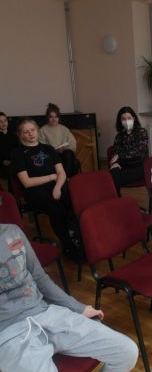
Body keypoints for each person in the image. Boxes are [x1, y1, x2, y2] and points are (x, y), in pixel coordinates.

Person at [0, 223, 137, 372]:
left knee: (127, 352)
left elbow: (40, 278)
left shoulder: (12, 232)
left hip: (46, 314)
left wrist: (79, 308)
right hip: (9, 336)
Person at [11, 118, 81, 261]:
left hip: (55, 187)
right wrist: (51, 177)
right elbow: (27, 182)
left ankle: (80, 237)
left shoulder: (48, 149)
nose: (31, 133)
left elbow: (61, 173)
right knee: (57, 206)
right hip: (35, 191)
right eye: (26, 132)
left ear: (37, 131)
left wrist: (57, 187)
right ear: (20, 135)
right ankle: (68, 245)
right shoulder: (18, 153)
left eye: (33, 130)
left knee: (75, 200)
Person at [109, 106, 149, 195]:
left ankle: (116, 197)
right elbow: (115, 153)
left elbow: (138, 153)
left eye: (129, 118)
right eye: (123, 119)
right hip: (124, 166)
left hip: (139, 166)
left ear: (134, 118)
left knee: (113, 177)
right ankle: (117, 197)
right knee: (114, 171)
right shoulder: (119, 136)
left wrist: (119, 156)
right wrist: (115, 163)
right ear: (120, 121)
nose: (126, 121)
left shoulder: (142, 132)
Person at [39, 103, 79, 177]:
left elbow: (72, 142)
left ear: (58, 118)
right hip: (51, 155)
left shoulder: (64, 129)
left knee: (68, 153)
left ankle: (67, 178)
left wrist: (65, 148)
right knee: (54, 156)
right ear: (47, 117)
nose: (54, 119)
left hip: (64, 154)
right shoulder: (43, 130)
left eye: (56, 117)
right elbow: (41, 146)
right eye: (51, 117)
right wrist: (53, 150)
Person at [0, 112, 19, 186]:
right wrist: (2, 161)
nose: (3, 123)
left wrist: (14, 160)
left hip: (14, 163)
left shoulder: (14, 136)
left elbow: (18, 150)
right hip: (2, 165)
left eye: (5, 120)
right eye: (0, 121)